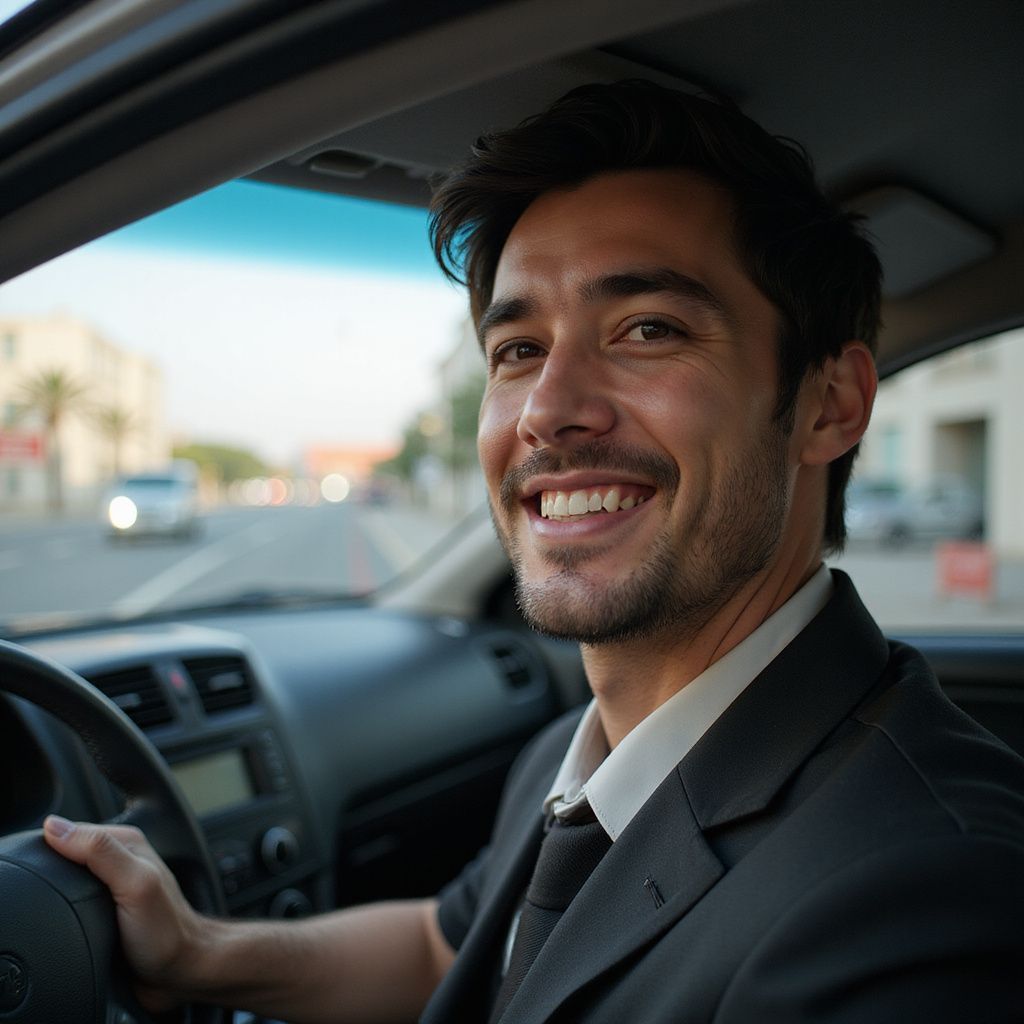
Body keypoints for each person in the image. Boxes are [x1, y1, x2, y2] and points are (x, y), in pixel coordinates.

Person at [45, 81, 1024, 1022]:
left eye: (648, 329)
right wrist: (200, 951)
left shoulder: (921, 896)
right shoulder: (589, 747)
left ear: (828, 404)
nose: (549, 410)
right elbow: (451, 947)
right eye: (517, 350)